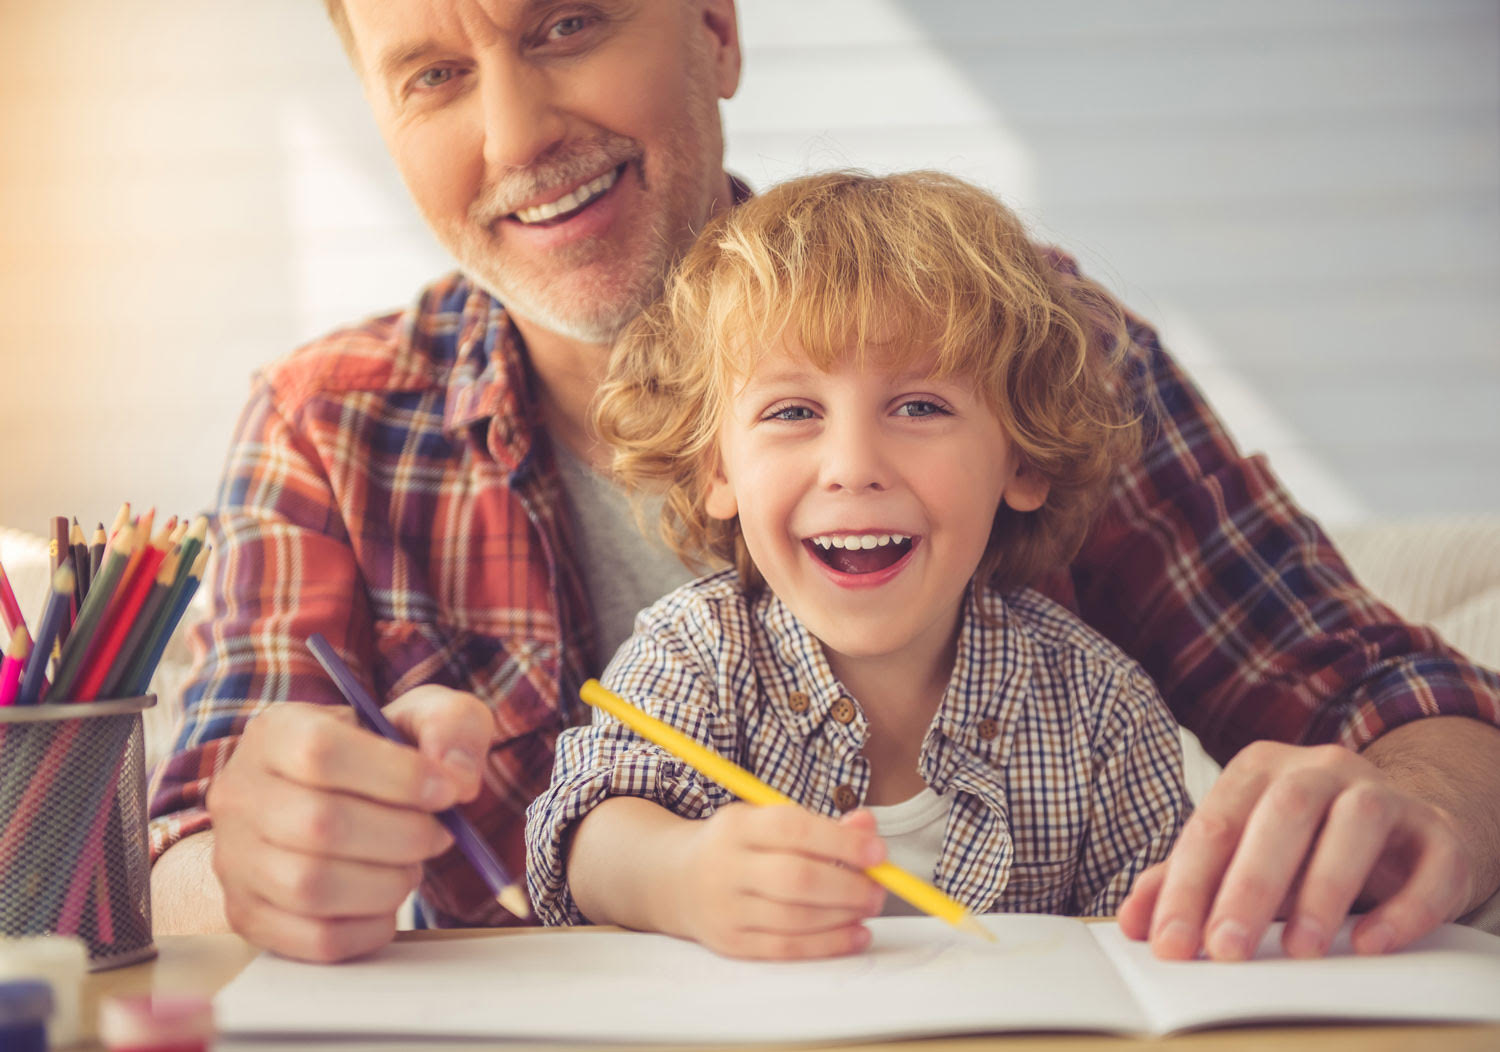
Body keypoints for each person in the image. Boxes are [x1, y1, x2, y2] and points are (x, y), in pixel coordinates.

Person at [148, 0, 1500, 965]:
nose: (514, 133)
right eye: (433, 75)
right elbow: (185, 866)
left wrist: (1420, 803)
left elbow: (1395, 703)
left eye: (568, 25)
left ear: (717, 31)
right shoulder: (330, 422)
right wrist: (259, 865)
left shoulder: (1024, 340)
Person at [524, 169, 1190, 958]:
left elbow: (1154, 956)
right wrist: (684, 875)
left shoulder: (1103, 713)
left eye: (919, 407)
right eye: (793, 411)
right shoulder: (694, 657)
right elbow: (583, 835)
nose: (852, 465)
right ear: (718, 470)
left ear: (1024, 459)